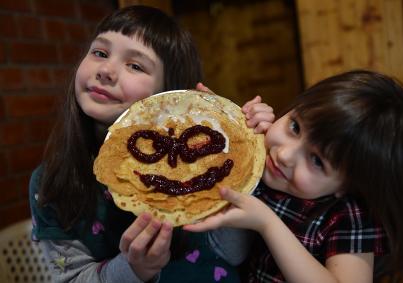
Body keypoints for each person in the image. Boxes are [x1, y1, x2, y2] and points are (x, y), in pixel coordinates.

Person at [28, 5, 274, 283]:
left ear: (171, 92)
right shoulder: (50, 183)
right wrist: (133, 269)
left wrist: (248, 154)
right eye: (100, 52)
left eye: (135, 65)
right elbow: (69, 278)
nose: (107, 70)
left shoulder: (197, 165)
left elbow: (233, 254)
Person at [185, 70, 403, 283]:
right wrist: (229, 125)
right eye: (295, 127)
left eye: (318, 161)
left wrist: (268, 224)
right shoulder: (269, 166)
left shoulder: (349, 216)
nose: (286, 155)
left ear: (348, 185)